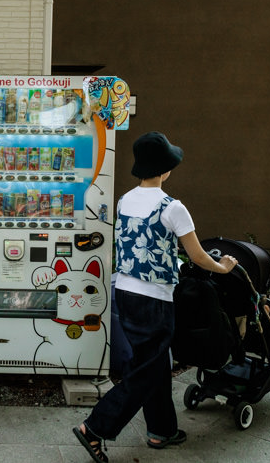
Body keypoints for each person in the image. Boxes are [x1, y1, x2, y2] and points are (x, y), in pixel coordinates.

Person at [73, 131, 238, 463]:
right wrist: (223, 268)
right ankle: (95, 427)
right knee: (146, 370)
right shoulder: (173, 207)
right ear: (165, 169)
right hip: (154, 299)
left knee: (156, 361)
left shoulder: (125, 200)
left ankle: (161, 429)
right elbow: (198, 256)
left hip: (126, 291)